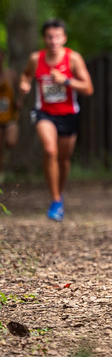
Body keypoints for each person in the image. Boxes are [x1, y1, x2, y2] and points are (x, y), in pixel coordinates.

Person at [19, 18, 94, 220]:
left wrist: (66, 81)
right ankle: (55, 199)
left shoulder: (73, 59)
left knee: (63, 159)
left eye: (57, 37)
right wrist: (24, 84)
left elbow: (88, 88)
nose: (53, 41)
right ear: (44, 38)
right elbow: (26, 75)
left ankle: (58, 195)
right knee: (50, 150)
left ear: (64, 38)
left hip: (69, 114)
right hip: (44, 113)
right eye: (49, 37)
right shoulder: (36, 58)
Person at [0, 45, 21, 183]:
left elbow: (20, 91)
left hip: (10, 117)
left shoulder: (11, 75)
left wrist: (19, 101)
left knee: (10, 142)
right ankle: (1, 173)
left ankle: (5, 163)